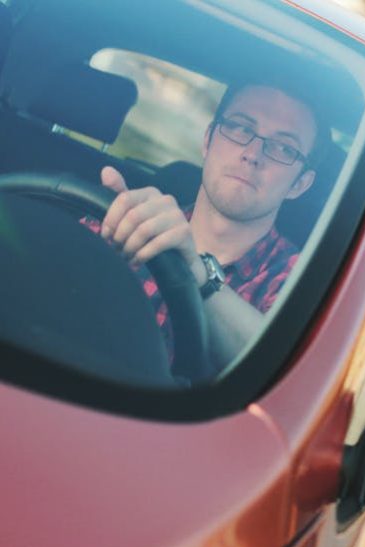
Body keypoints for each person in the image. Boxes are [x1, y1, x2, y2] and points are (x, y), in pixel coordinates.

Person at [91, 82, 323, 370]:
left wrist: (199, 275)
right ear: (208, 140)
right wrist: (98, 245)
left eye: (284, 148)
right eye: (241, 128)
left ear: (300, 184)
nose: (253, 153)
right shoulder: (129, 218)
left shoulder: (305, 285)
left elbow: (283, 374)